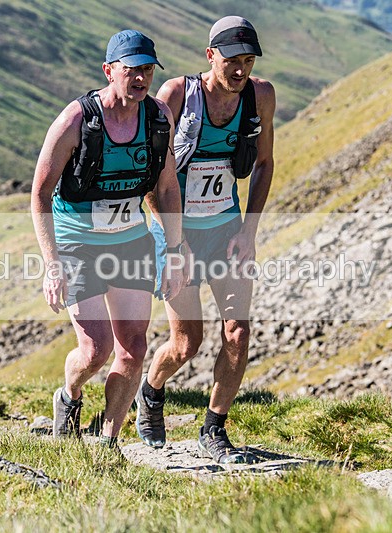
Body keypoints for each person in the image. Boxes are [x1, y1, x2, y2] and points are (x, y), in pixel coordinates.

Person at [31, 30, 184, 448]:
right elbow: (40, 194)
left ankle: (107, 440)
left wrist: (174, 250)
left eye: (147, 70)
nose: (140, 78)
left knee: (133, 349)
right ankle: (70, 395)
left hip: (130, 239)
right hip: (77, 242)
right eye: (131, 69)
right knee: (96, 350)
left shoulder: (157, 117)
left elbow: (167, 188)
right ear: (108, 70)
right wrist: (52, 263)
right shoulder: (76, 120)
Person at [136, 16, 276, 463]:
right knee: (187, 343)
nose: (241, 71)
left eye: (248, 61)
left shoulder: (260, 95)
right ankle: (151, 389)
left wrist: (249, 231)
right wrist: (176, 243)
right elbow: (149, 176)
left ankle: (214, 429)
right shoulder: (176, 95)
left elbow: (265, 164)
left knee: (237, 332)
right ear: (209, 55)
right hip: (176, 233)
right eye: (232, 60)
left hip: (226, 228)